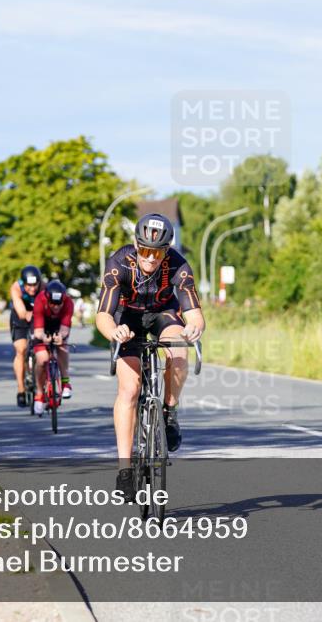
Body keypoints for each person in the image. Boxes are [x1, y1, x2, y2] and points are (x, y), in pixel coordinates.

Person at [95, 213, 204, 498]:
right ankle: (124, 469)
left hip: (162, 314)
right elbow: (103, 315)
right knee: (129, 390)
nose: (151, 258)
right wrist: (113, 333)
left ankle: (169, 411)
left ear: (166, 250)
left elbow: (194, 314)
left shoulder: (179, 266)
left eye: (157, 252)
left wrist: (193, 327)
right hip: (126, 319)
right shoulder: (119, 263)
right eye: (144, 250)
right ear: (136, 245)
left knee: (178, 348)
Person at [30, 279, 74, 415]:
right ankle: (38, 394)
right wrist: (43, 337)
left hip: (58, 326)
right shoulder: (40, 300)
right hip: (42, 325)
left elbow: (65, 328)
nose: (56, 307)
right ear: (47, 299)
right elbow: (38, 331)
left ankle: (66, 382)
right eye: (52, 304)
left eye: (58, 304)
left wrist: (60, 336)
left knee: (62, 346)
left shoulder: (68, 303)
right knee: (42, 359)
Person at [9, 265, 43, 406]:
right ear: (23, 283)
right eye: (29, 286)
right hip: (20, 316)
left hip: (39, 315)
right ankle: (21, 389)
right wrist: (27, 314)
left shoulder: (44, 287)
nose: (33, 289)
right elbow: (22, 311)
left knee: (43, 348)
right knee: (21, 349)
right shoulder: (16, 287)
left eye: (35, 285)